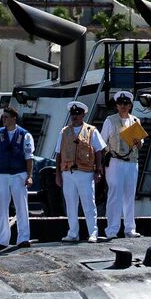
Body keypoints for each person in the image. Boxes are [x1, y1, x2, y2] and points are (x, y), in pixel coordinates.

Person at [55, 100, 105, 243]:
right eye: (73, 114)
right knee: (70, 204)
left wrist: (98, 170)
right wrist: (58, 174)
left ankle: (93, 232)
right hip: (68, 173)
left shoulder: (91, 131)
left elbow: (99, 151)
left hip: (85, 172)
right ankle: (73, 233)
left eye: (77, 114)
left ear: (83, 115)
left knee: (88, 203)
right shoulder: (64, 132)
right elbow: (58, 154)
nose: (74, 116)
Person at [0, 108, 35, 250]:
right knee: (2, 207)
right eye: (3, 118)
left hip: (18, 174)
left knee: (21, 206)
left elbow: (29, 158)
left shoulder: (25, 135)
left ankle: (23, 238)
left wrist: (29, 176)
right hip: (2, 175)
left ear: (14, 118)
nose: (4, 120)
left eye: (6, 117)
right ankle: (2, 239)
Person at [102, 91, 146, 238]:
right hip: (115, 161)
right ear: (116, 105)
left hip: (132, 162)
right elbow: (103, 142)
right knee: (115, 195)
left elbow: (140, 143)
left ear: (130, 105)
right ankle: (112, 230)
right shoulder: (110, 120)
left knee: (129, 195)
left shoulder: (135, 121)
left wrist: (138, 142)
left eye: (126, 104)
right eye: (120, 104)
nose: (123, 106)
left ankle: (130, 229)